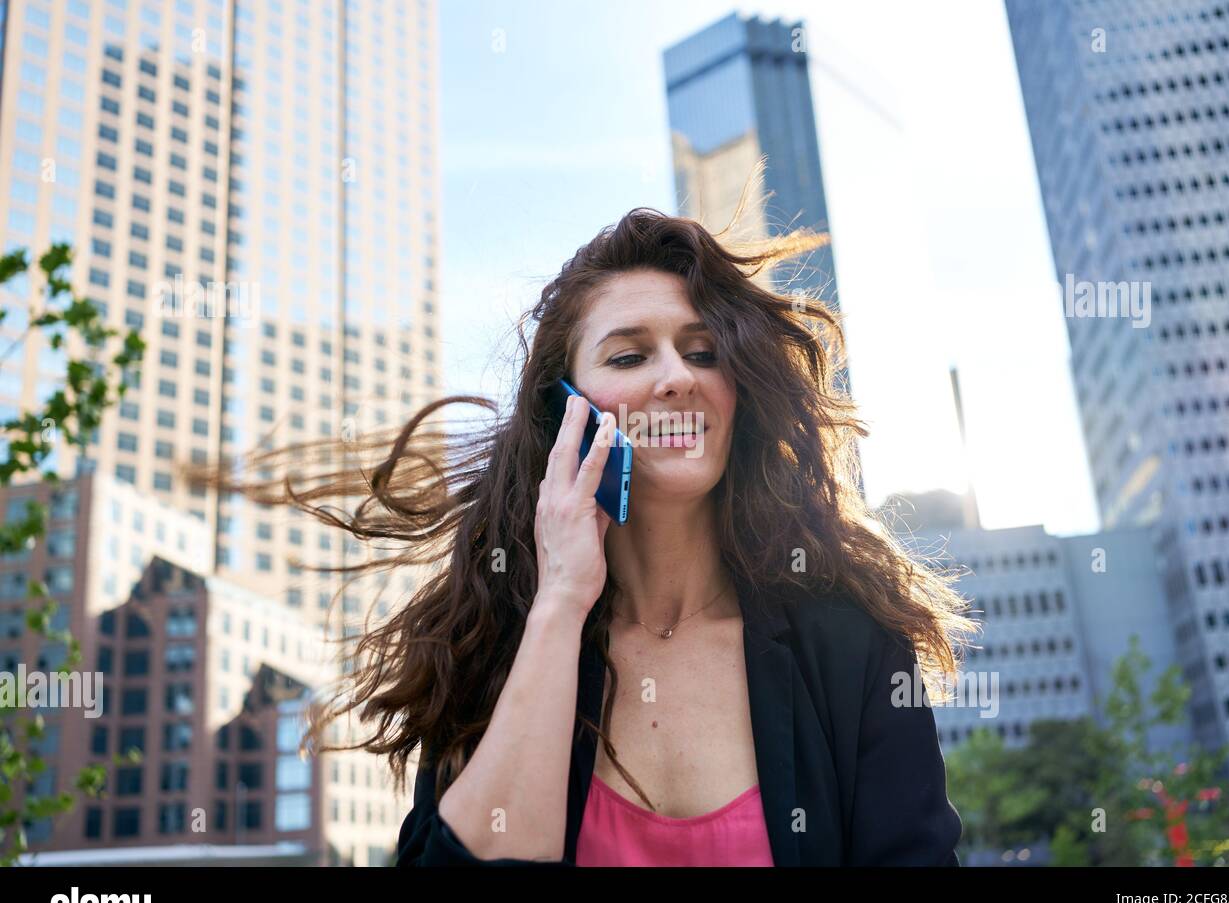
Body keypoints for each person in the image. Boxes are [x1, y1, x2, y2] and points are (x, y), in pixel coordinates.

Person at [189, 201, 977, 867]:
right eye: (630, 354)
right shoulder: (497, 641)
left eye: (702, 351)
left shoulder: (847, 644)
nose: (676, 375)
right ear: (565, 408)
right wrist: (561, 602)